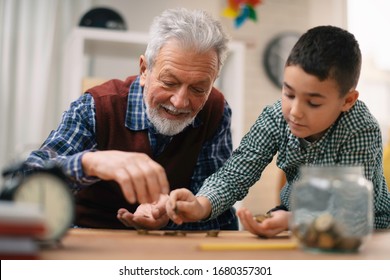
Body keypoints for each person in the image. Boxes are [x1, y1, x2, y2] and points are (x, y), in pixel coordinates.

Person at [23, 7, 238, 230]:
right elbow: (26, 180)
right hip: (89, 241)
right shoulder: (97, 107)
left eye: (198, 88)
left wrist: (172, 217)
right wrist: (90, 163)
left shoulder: (215, 110)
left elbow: (218, 212)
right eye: (170, 82)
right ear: (144, 70)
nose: (180, 102)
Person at [166, 25, 390, 237]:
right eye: (289, 94)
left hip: (368, 229)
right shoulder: (275, 116)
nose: (295, 112)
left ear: (347, 100)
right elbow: (237, 172)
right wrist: (201, 204)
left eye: (313, 103)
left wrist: (295, 220)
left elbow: (352, 212)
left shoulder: (361, 128)